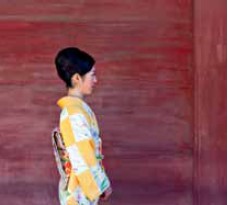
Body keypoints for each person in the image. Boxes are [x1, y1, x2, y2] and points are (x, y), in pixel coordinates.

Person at [53, 47, 112, 205]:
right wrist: (101, 184)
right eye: (92, 75)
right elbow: (82, 155)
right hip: (77, 190)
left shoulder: (77, 110)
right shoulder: (73, 113)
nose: (95, 80)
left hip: (82, 187)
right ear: (77, 78)